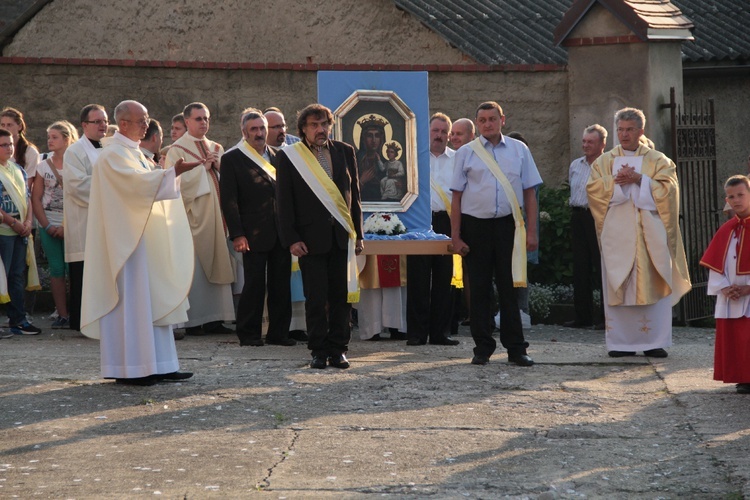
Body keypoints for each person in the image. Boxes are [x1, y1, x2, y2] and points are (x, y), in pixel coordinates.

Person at [81, 100, 199, 386]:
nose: (147, 124)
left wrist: (170, 174)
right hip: (125, 246)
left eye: (147, 119)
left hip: (143, 241)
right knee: (132, 302)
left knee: (151, 299)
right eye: (141, 120)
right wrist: (171, 173)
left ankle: (161, 363)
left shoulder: (135, 153)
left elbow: (148, 183)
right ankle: (131, 367)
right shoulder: (112, 156)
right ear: (123, 123)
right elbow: (136, 187)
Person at [587, 107, 691, 358]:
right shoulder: (605, 161)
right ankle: (621, 343)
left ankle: (653, 341)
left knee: (652, 280)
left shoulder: (658, 160)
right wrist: (615, 181)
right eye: (620, 129)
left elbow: (670, 192)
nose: (623, 134)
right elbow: (592, 190)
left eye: (629, 129)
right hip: (617, 235)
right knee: (620, 283)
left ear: (640, 131)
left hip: (651, 235)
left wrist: (640, 180)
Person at [451, 101, 541, 366]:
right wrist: (456, 237)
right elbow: (456, 197)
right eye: (482, 120)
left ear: (502, 119)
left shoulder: (519, 150)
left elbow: (530, 193)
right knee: (479, 289)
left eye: (492, 119)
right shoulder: (466, 153)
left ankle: (516, 348)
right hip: (475, 226)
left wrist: (532, 232)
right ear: (476, 123)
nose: (487, 124)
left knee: (509, 287)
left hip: (508, 226)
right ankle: (482, 347)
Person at [276, 103, 363, 369]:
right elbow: (283, 201)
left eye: (324, 123)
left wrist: (358, 235)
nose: (320, 129)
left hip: (340, 236)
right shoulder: (290, 156)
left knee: (341, 296)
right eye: (314, 125)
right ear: (303, 128)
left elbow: (354, 196)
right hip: (309, 240)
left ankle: (339, 350)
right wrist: (291, 238)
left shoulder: (345, 152)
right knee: (315, 297)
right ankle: (318, 350)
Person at [220, 109, 295, 347]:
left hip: (279, 233)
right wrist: (237, 234)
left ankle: (279, 334)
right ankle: (249, 334)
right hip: (251, 235)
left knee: (281, 285)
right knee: (253, 285)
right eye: (254, 129)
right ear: (244, 132)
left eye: (262, 128)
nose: (259, 133)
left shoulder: (279, 156)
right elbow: (229, 201)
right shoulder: (232, 158)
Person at [166, 102, 235, 335]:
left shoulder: (216, 146)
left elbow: (229, 180)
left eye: (206, 118)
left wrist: (217, 166)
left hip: (218, 216)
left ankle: (217, 318)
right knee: (195, 270)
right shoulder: (176, 150)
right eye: (198, 119)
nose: (204, 122)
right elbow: (174, 183)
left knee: (219, 262)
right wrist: (201, 169)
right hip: (192, 218)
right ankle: (195, 320)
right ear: (186, 122)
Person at [406, 112, 460, 347]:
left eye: (443, 132)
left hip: (447, 222)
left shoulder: (459, 159)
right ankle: (417, 334)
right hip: (420, 222)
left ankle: (440, 333)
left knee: (443, 278)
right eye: (435, 131)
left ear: (449, 135)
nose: (439, 136)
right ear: (428, 132)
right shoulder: (416, 158)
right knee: (418, 279)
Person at [701, 175, 750, 394]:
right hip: (731, 294)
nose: (736, 200)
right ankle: (741, 375)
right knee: (736, 338)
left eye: (741, 195)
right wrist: (724, 287)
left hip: (748, 292)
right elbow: (715, 264)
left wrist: (748, 288)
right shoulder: (727, 229)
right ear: (726, 200)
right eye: (732, 197)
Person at [63, 103, 108, 332]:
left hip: (106, 222)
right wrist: (110, 187)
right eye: (97, 121)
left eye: (105, 121)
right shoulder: (75, 151)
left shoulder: (108, 147)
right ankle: (81, 322)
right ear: (84, 125)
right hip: (85, 222)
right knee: (83, 275)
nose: (103, 125)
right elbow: (76, 185)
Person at [32, 120, 78, 329]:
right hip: (49, 223)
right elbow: (36, 198)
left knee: (74, 269)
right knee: (56, 269)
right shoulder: (43, 165)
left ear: (67, 139)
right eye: (49, 137)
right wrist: (47, 225)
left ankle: (77, 313)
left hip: (74, 224)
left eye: (54, 137)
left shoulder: (77, 164)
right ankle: (62, 314)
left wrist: (67, 226)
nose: (49, 141)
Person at [564, 124, 607, 330]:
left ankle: (606, 317)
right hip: (578, 216)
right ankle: (583, 316)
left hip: (599, 218)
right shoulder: (575, 165)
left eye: (590, 142)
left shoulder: (607, 165)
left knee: (602, 267)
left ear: (602, 144)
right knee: (580, 267)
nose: (586, 145)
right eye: (584, 141)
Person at [0, 128, 42, 335]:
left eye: (10, 144)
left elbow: (27, 198)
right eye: (3, 145)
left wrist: (26, 222)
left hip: (20, 231)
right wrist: (13, 223)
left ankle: (18, 320)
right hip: (3, 232)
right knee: (2, 276)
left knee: (16, 276)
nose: (9, 148)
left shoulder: (18, 169)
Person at [0, 108, 40, 187]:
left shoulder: (30, 152)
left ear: (19, 126)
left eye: (9, 125)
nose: (5, 128)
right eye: (2, 125)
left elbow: (27, 185)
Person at [356, 115, 387, 201]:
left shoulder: (386, 162)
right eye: (369, 136)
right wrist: (361, 181)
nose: (374, 140)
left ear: (381, 139)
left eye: (377, 136)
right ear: (363, 139)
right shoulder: (355, 160)